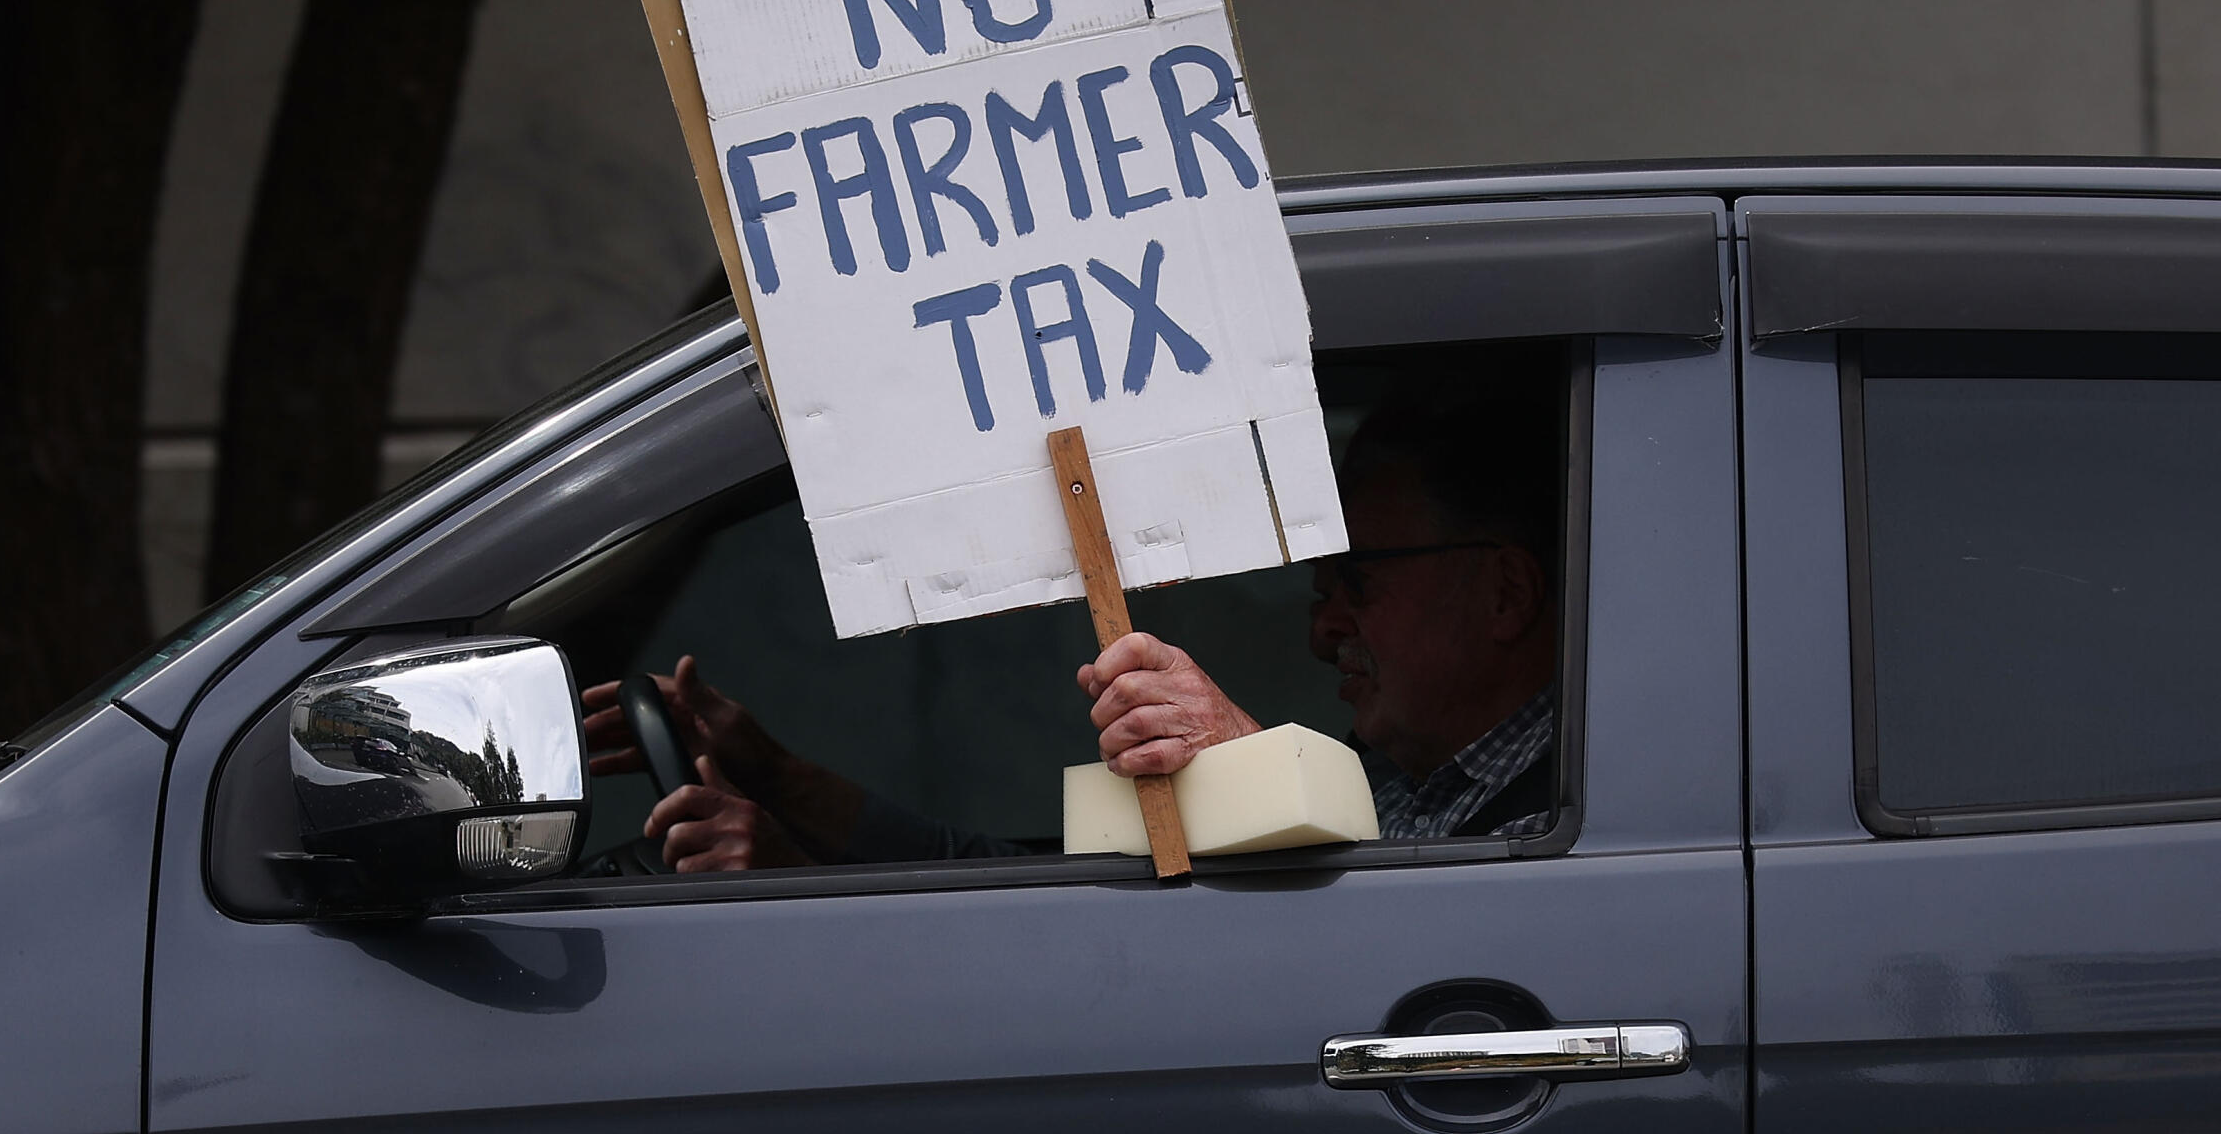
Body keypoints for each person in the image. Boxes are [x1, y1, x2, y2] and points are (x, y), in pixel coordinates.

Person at [582, 350, 1561, 871]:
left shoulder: (1579, 808)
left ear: (1505, 593)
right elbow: (1015, 888)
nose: (1320, 629)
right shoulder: (1406, 795)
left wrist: (1247, 763)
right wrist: (782, 784)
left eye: (1356, 579)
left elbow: (1391, 970)